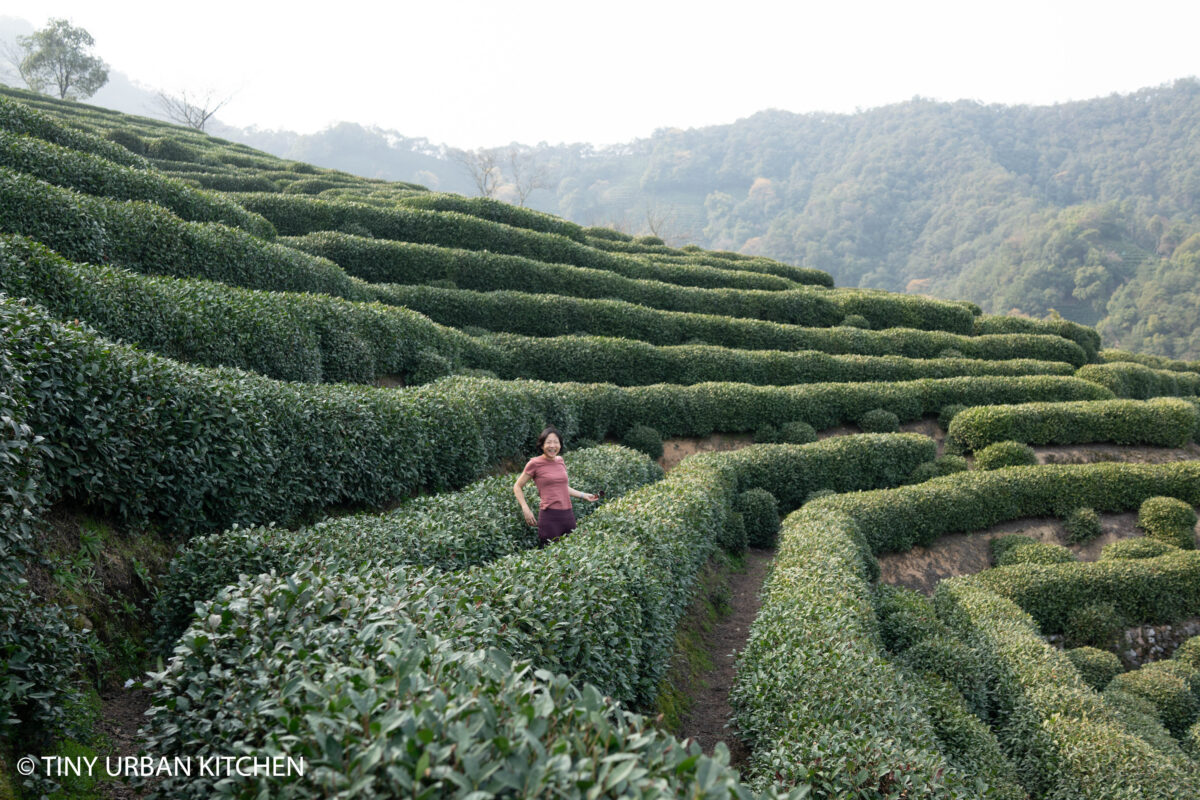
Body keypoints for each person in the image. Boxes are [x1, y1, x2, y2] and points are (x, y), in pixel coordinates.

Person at [514, 426, 598, 547]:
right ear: (542, 445)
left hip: (568, 515)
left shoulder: (560, 461)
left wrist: (584, 495)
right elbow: (517, 486)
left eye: (556, 442)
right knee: (552, 557)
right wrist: (525, 508)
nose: (552, 446)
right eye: (548, 442)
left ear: (560, 445)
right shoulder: (534, 463)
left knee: (573, 553)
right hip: (549, 517)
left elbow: (562, 487)